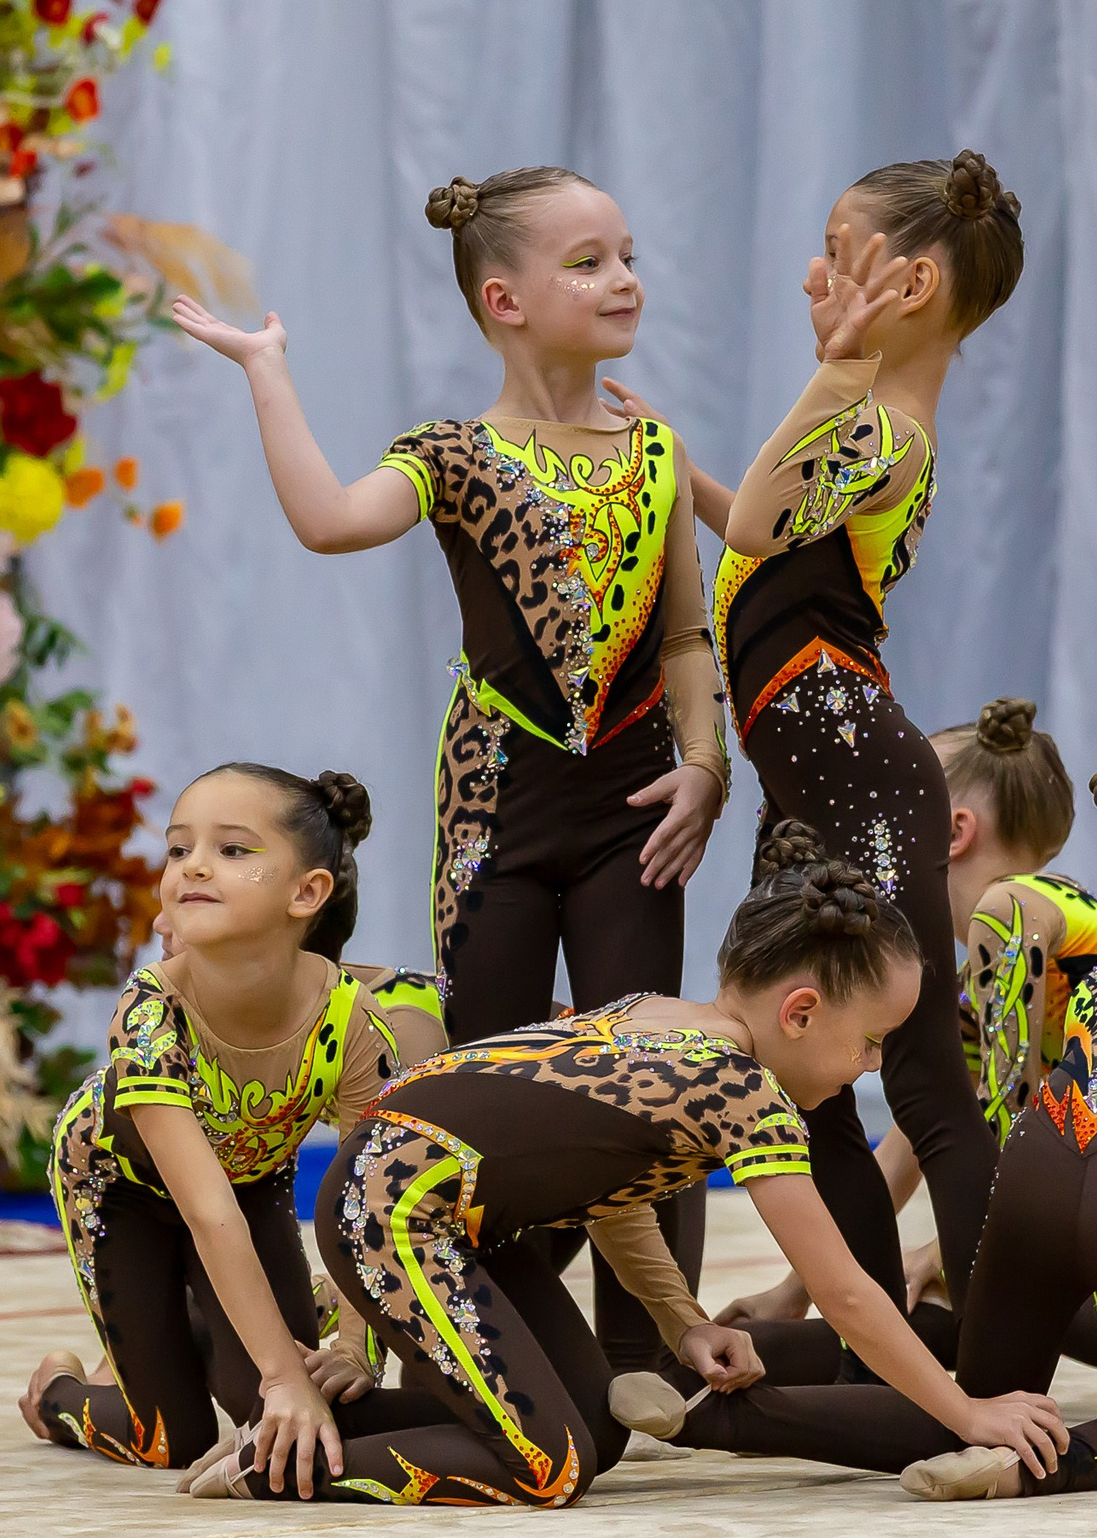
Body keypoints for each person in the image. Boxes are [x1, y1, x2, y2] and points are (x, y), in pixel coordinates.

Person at [172, 165, 731, 1372]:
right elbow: (327, 520)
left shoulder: (656, 449)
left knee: (646, 1062)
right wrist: (269, 373)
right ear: (504, 298)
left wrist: (704, 763)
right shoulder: (455, 453)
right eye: (587, 262)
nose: (624, 277)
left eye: (627, 253)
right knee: (486, 1064)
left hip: (638, 804)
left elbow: (685, 632)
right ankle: (498, 1322)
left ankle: (653, 1353)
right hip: (496, 805)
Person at [613, 733, 1097, 1500]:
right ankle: (1041, 1469)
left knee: (975, 1402)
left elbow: (985, 1106)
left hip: (1037, 1163)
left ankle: (706, 1410)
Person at [186, 826, 1069, 1506]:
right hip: (389, 1212)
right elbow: (841, 1290)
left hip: (427, 1207)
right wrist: (969, 1415)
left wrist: (682, 1323)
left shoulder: (658, 1011)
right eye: (871, 1042)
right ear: (799, 1011)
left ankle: (321, 1430)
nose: (870, 1067)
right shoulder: (741, 1086)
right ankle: (275, 1464)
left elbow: (603, 1190)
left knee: (594, 1420)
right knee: (552, 1464)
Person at [646, 150, 1029, 1319]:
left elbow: (762, 528)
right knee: (807, 1079)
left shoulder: (885, 425)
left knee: (921, 1079)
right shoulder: (870, 422)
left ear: (906, 286)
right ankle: (873, 1328)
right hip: (817, 780)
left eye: (838, 247)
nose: (815, 269)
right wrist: (682, 472)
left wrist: (831, 370)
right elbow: (777, 536)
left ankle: (988, 1346)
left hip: (856, 766)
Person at [711, 700, 1097, 1378]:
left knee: (940, 1327)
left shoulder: (1009, 914)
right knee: (919, 1329)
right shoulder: (1003, 948)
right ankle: (715, 1366)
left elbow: (1015, 1134)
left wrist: (937, 1258)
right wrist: (797, 1290)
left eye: (895, 807)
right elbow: (921, 1138)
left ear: (951, 828)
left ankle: (709, 1392)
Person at [19, 765, 423, 1475]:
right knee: (171, 1438)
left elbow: (371, 1195)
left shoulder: (354, 1021)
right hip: (125, 1192)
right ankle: (57, 1390)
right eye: (179, 849)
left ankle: (200, 1325)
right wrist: (282, 1375)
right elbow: (208, 1214)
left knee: (285, 1421)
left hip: (250, 1179)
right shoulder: (149, 1012)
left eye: (233, 850)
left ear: (308, 892)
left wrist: (356, 1346)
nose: (194, 865)